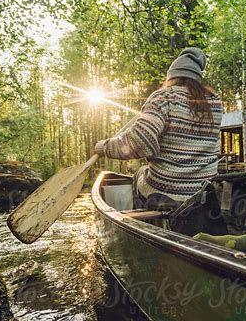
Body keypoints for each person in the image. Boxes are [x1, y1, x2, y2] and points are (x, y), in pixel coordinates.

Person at [94, 47, 223, 211]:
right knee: (144, 172)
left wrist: (104, 147)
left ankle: (140, 219)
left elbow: (140, 142)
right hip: (204, 195)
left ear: (172, 76)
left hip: (167, 195)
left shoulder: (163, 97)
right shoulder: (215, 104)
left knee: (140, 173)